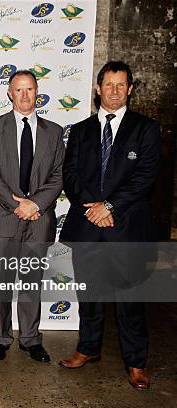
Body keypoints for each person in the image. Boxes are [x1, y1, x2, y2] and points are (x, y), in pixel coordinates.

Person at [59, 61, 161, 390]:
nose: (114, 91)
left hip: (126, 227)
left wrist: (109, 206)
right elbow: (70, 176)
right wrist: (94, 208)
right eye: (108, 84)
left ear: (130, 89)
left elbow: (145, 177)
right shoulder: (80, 129)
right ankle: (87, 348)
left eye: (121, 85)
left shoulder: (146, 129)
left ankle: (135, 362)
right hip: (88, 225)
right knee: (90, 294)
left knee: (130, 297)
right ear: (97, 88)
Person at [0, 70, 65, 362]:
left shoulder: (54, 131)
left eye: (30, 89)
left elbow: (57, 176)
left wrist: (35, 205)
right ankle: (0, 338)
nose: (25, 95)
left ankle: (30, 339)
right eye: (19, 90)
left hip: (38, 220)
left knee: (31, 282)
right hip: (4, 217)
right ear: (9, 93)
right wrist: (15, 203)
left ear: (37, 91)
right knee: (2, 282)